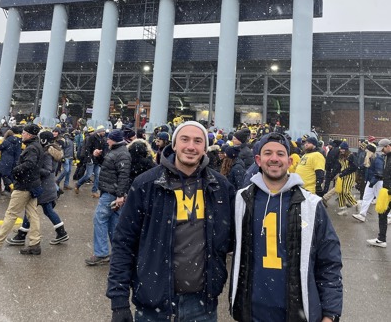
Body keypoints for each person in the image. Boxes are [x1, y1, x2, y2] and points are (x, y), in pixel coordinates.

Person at [106, 121, 235, 321]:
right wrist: (119, 300)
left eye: (198, 141)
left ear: (205, 148)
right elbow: (124, 242)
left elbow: (234, 240)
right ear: (174, 144)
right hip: (153, 302)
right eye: (184, 139)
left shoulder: (220, 187)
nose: (191, 146)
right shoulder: (146, 184)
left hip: (202, 305)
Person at [230, 132, 343, 322]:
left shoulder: (311, 205)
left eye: (280, 154)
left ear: (290, 161)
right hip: (252, 312)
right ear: (258, 160)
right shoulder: (241, 200)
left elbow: (329, 262)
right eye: (268, 153)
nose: (274, 159)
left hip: (297, 313)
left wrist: (330, 313)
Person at [0, 124, 43, 256]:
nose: (22, 135)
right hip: (33, 184)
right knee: (33, 214)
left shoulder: (31, 148)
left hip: (24, 185)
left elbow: (29, 164)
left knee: (11, 214)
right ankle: (35, 243)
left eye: (24, 133)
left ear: (30, 134)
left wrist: (16, 171)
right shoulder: (37, 146)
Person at [6, 130, 68, 246]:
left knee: (32, 210)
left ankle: (22, 235)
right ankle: (61, 232)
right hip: (47, 186)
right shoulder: (52, 150)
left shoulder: (47, 153)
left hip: (43, 186)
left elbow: (48, 170)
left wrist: (34, 169)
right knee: (43, 210)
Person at [85, 129, 131, 266]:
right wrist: (98, 157)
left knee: (99, 219)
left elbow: (124, 176)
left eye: (109, 138)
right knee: (114, 223)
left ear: (114, 139)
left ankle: (101, 253)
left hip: (111, 193)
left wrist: (120, 195)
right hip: (112, 192)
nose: (107, 140)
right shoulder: (117, 151)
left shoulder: (121, 153)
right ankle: (118, 252)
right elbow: (109, 167)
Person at [367, 138, 391, 247]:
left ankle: (382, 239)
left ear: (388, 146)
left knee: (383, 214)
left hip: (389, 190)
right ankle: (381, 239)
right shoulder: (387, 157)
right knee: (382, 214)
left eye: (383, 149)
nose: (382, 151)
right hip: (387, 191)